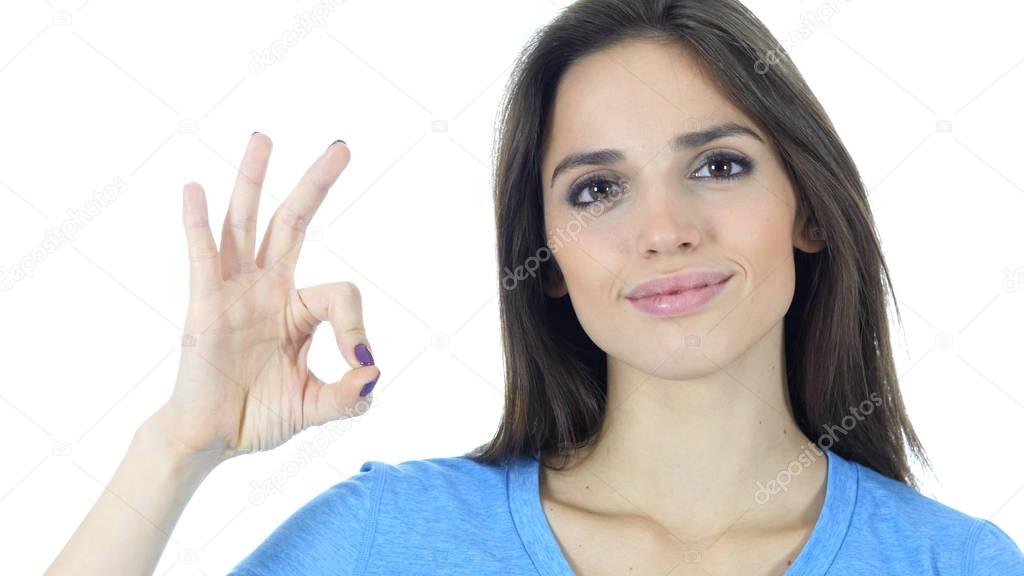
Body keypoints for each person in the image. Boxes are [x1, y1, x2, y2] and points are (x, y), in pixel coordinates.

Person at [46, 0, 1024, 574]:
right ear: (546, 258)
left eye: (718, 166)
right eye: (597, 189)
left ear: (808, 207)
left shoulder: (961, 563)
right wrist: (177, 446)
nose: (664, 230)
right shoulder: (391, 541)